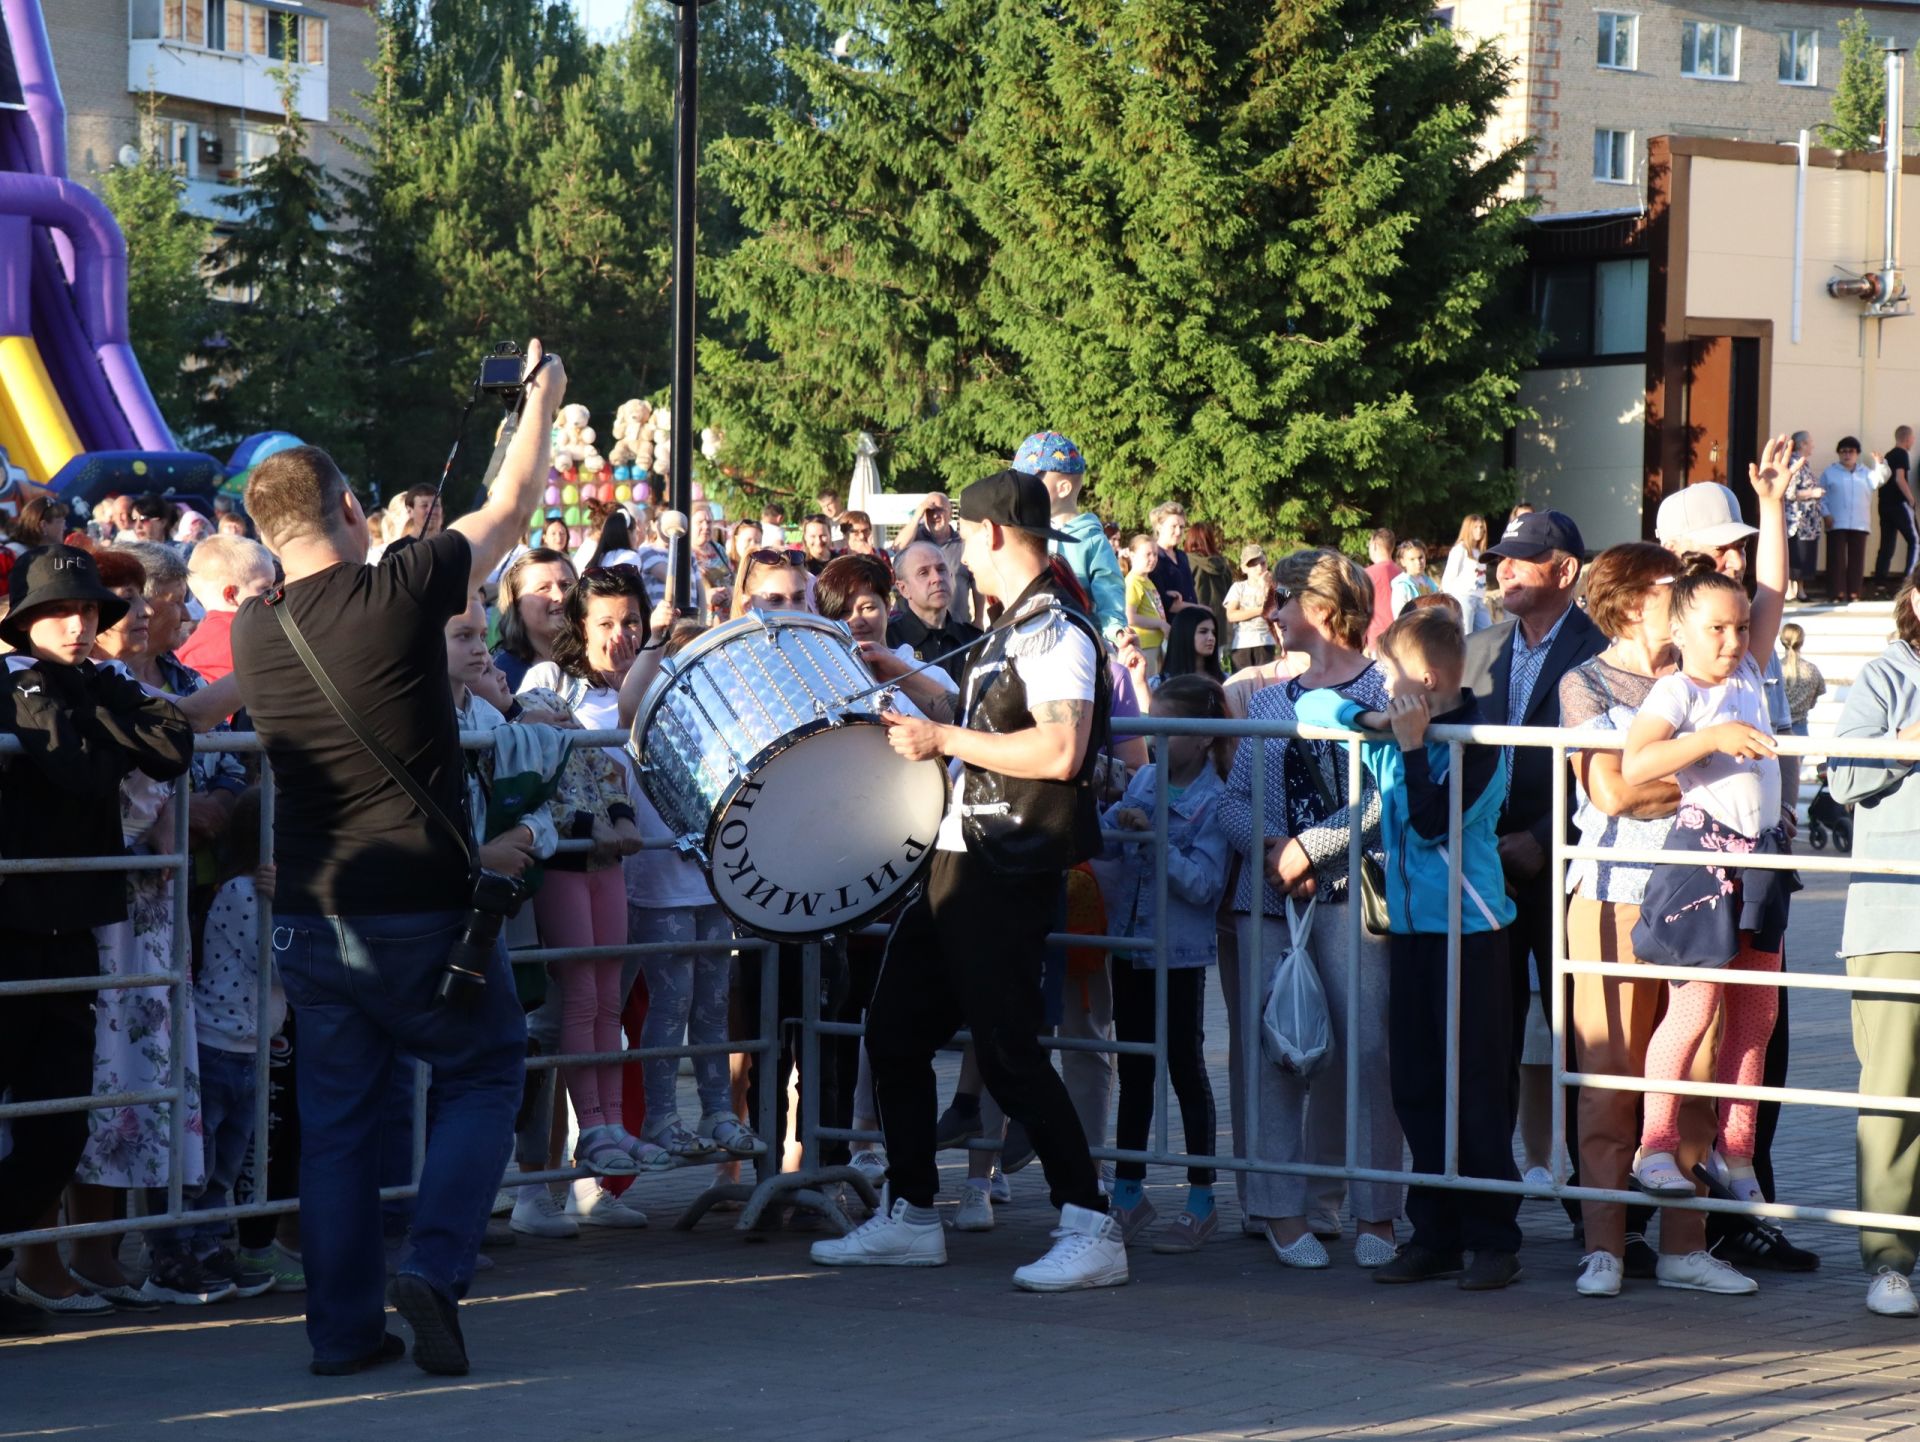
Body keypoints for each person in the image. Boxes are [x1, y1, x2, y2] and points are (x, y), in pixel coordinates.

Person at [229, 339, 566, 1378]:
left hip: (316, 917)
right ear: (345, 509)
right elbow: (507, 513)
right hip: (417, 904)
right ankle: (433, 1262)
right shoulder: (398, 589)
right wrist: (542, 402)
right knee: (482, 1069)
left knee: (335, 1126)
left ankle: (340, 1333)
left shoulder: (254, 628)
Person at [810, 469, 1124, 1292]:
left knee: (1010, 1052)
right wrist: (904, 678)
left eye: (961, 541)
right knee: (896, 1035)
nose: (954, 557)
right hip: (963, 859)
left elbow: (1059, 752)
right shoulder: (1014, 626)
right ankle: (914, 1214)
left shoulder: (1055, 630)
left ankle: (1091, 1223)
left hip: (1007, 863)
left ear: (988, 534)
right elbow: (985, 714)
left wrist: (939, 736)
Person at [1298, 606, 1523, 1289]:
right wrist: (1373, 725)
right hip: (1411, 931)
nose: (1380, 686)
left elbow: (1430, 826)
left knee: (1476, 1087)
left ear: (1423, 679)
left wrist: (1415, 746)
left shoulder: (1481, 740)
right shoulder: (1400, 727)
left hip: (1473, 935)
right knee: (1417, 1085)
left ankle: (1493, 1239)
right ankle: (1436, 1234)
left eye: (1390, 675)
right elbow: (1312, 706)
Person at [0, 545, 194, 1336]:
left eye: (89, 612)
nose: (79, 625)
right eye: (60, 613)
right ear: (26, 622)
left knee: (60, 1124)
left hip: (74, 926)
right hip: (10, 928)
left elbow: (176, 741)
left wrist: (95, 716)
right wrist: (107, 728)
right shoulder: (17, 682)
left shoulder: (97, 682)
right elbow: (74, 769)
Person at [1558, 542, 1755, 1298]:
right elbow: (1609, 792)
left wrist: (1675, 770)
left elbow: (1741, 774)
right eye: (1674, 587)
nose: (1688, 599)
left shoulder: (1709, 676)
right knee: (1608, 1074)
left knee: (1694, 1071)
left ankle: (1685, 1246)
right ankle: (1604, 1245)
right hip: (1608, 891)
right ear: (1637, 599)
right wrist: (1702, 773)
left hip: (1695, 888)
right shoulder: (1585, 682)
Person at [1621, 436, 1795, 1211]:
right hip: (1703, 861)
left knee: (1755, 1019)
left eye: (1737, 630)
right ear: (1684, 633)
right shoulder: (1678, 689)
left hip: (1761, 859)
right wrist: (1714, 739)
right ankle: (1655, 1147)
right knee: (1692, 1010)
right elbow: (1635, 764)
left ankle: (1736, 1153)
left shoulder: (1753, 666)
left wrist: (1771, 505)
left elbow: (1774, 593)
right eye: (1716, 632)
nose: (1732, 642)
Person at [1217, 548, 1403, 1270]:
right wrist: (1270, 846)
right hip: (1268, 902)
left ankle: (1379, 1211)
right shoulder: (1266, 699)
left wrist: (1311, 849)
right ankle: (1279, 1211)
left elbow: (1393, 796)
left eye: (1284, 600)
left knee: (1368, 1053)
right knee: (1273, 1055)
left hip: (1357, 898)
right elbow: (1233, 798)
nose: (1272, 613)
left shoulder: (1387, 689)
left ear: (1321, 609)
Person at [1463, 509, 1605, 1148]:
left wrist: (1545, 840)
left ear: (1566, 570)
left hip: (1571, 873)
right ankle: (1490, 1205)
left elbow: (1607, 761)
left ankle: (1593, 1208)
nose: (1505, 567)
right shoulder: (1480, 647)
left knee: (1582, 1037)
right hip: (1483, 871)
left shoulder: (1601, 646)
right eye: (1500, 557)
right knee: (1485, 1039)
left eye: (1521, 557)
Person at [1099, 675, 1232, 1254]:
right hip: (1129, 943)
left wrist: (1155, 840)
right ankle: (1128, 1193)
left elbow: (1205, 884)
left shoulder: (1217, 800)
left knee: (1184, 1065)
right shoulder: (1146, 778)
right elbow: (1105, 842)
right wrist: (1114, 822)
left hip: (1177, 953)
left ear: (1203, 738)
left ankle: (1202, 1198)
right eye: (1150, 722)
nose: (1154, 737)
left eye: (1168, 727)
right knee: (1134, 1067)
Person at [1827, 570, 1920, 1317]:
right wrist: (1905, 741)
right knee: (1894, 1093)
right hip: (1899, 919)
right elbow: (1842, 776)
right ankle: (1889, 1261)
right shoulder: (1888, 673)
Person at [1015, 429, 1126, 641]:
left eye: (1031, 483)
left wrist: (1115, 631)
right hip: (1030, 636)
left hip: (1078, 638)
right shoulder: (1025, 532)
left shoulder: (1090, 539)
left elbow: (1109, 587)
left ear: (1063, 488)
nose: (1023, 491)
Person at [817, 552, 958, 716]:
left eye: (868, 608)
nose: (856, 621)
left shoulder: (933, 678)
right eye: (843, 612)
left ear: (887, 606)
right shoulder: (817, 686)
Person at [178, 534, 277, 685]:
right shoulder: (254, 634)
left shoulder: (188, 647)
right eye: (265, 589)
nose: (273, 596)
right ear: (230, 595)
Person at [888, 539, 982, 688]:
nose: (937, 578)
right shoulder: (890, 643)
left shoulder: (975, 641)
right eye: (923, 573)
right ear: (903, 589)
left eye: (941, 569)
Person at [493, 548, 577, 691]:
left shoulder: (598, 662)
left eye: (566, 585)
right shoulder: (501, 677)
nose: (560, 596)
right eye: (543, 588)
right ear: (515, 603)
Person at [892, 492, 978, 628]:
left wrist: (978, 619)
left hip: (956, 626)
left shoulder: (962, 544)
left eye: (940, 510)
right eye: (930, 511)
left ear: (950, 513)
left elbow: (975, 581)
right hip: (913, 629)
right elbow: (898, 548)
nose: (935, 515)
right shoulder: (915, 539)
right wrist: (917, 515)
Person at [1821, 436, 1883, 605]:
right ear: (1839, 454)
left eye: (1851, 451)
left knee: (1857, 559)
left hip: (1860, 522)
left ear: (1857, 454)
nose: (1847, 455)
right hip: (1836, 521)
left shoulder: (1866, 473)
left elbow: (1880, 480)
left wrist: (1879, 464)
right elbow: (1821, 496)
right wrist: (1825, 514)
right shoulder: (1830, 472)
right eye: (1843, 451)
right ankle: (1836, 593)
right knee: (1836, 559)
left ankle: (1855, 592)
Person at [1877, 425, 1919, 594]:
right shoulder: (1901, 454)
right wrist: (1910, 498)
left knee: (1887, 544)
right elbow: (1899, 478)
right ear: (1908, 439)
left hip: (1885, 505)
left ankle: (1879, 583)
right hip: (1899, 504)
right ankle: (1910, 581)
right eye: (1913, 438)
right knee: (1916, 541)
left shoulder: (1888, 455)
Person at [1224, 546, 1279, 671]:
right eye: (1253, 565)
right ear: (1244, 568)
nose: (1259, 568)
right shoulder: (1238, 587)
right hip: (1242, 644)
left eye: (1262, 563)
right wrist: (1260, 610)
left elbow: (1280, 608)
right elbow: (1231, 615)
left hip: (1266, 642)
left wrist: (1267, 587)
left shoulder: (1274, 586)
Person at [1783, 431, 1823, 602]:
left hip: (1808, 522)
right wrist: (1812, 492)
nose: (1813, 446)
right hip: (1798, 521)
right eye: (1810, 442)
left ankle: (1800, 589)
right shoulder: (1794, 463)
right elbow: (1790, 492)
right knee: (1797, 555)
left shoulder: (1804, 464)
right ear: (1802, 444)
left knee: (1806, 555)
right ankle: (1792, 590)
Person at [1124, 534, 1170, 673]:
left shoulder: (1146, 581)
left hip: (1156, 644)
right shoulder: (1133, 581)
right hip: (1145, 645)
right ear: (1132, 555)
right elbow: (1130, 617)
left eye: (1155, 554)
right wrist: (1160, 624)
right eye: (1148, 554)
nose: (1153, 559)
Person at [1186, 522, 1234, 645]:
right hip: (1219, 626)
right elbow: (1230, 595)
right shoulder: (1223, 564)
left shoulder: (1185, 562)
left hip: (1194, 624)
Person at [1442, 515, 1492, 633]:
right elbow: (1448, 577)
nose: (1479, 531)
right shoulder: (1460, 549)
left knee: (1488, 633)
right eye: (1475, 527)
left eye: (1481, 527)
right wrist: (1450, 601)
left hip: (1479, 599)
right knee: (1465, 635)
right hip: (1463, 598)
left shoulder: (1479, 551)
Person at [1146, 501, 1195, 618]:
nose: (1178, 532)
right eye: (1173, 526)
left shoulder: (1182, 556)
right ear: (1159, 527)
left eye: (1181, 527)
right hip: (1168, 628)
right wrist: (1200, 609)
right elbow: (1163, 603)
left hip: (1191, 625)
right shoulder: (1152, 558)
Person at [1776, 623, 1826, 738]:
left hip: (1778, 728)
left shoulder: (1774, 669)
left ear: (1782, 641)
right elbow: (1815, 699)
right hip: (1801, 729)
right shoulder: (1812, 670)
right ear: (1802, 641)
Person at [1157, 605, 1224, 685]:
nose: (1211, 638)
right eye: (1203, 631)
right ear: (1184, 634)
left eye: (1213, 633)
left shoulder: (1225, 680)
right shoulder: (1159, 683)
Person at [1362, 527, 1398, 654]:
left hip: (1378, 639)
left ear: (1375, 545)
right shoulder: (1403, 573)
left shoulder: (1366, 575)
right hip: (1401, 635)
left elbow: (1362, 610)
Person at [1389, 540, 1439, 617]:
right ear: (1403, 562)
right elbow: (1400, 616)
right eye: (1412, 559)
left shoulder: (1429, 582)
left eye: (1420, 557)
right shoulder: (1402, 586)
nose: (1418, 562)